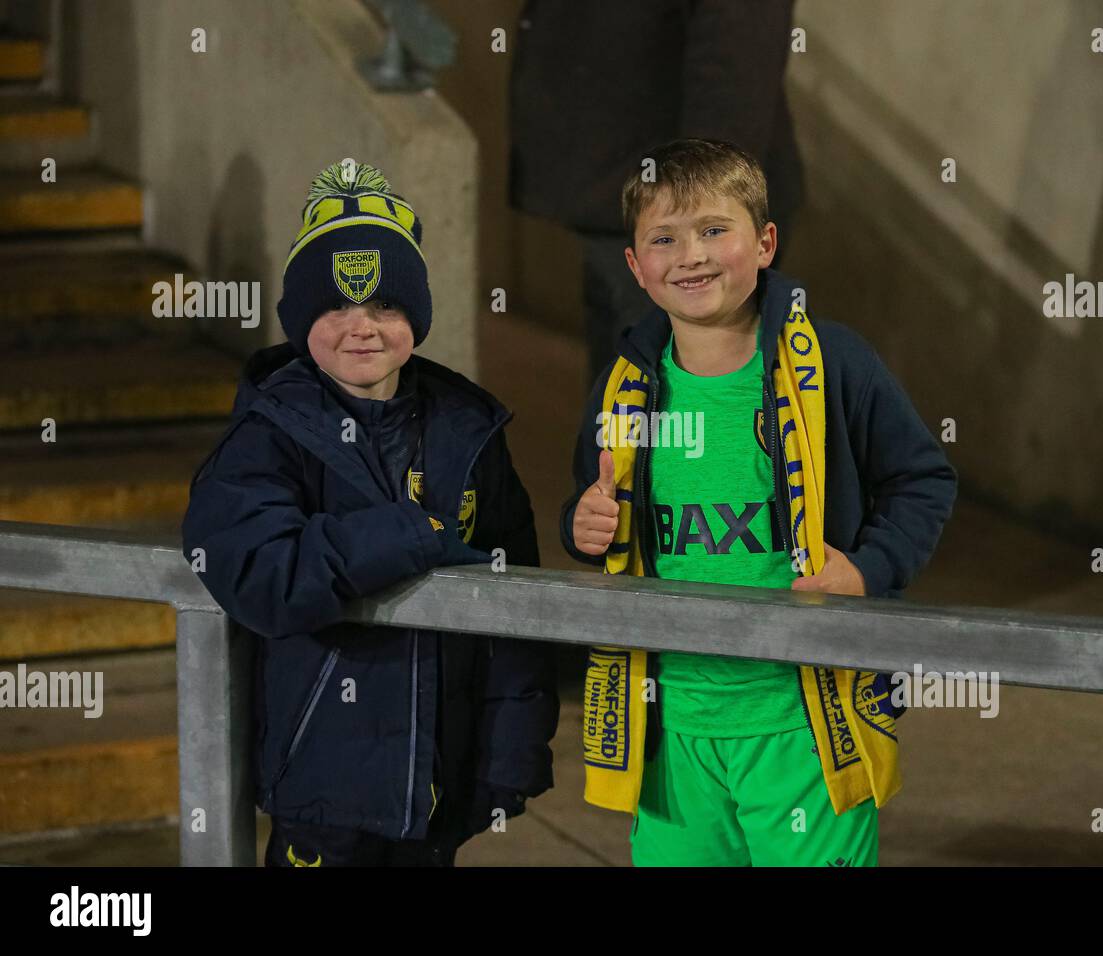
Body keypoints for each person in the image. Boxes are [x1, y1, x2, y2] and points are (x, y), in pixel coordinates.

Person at [561, 139, 957, 866]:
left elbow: (922, 480)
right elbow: (591, 502)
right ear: (636, 268)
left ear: (766, 242)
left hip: (803, 725)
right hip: (671, 729)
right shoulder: (626, 382)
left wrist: (869, 569)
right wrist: (580, 526)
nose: (692, 255)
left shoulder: (835, 362)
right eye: (664, 238)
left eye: (715, 230)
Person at [182, 162, 558, 867]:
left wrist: (511, 751)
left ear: (415, 316)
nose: (363, 329)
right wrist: (413, 534)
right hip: (322, 791)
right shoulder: (268, 431)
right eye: (336, 308)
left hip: (438, 792)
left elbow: (518, 606)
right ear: (299, 320)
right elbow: (263, 570)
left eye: (385, 306)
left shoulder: (467, 428)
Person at [509, 0, 804, 391]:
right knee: (620, 412)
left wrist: (693, 233)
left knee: (673, 421)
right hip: (619, 210)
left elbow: (732, 80)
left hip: (671, 224)